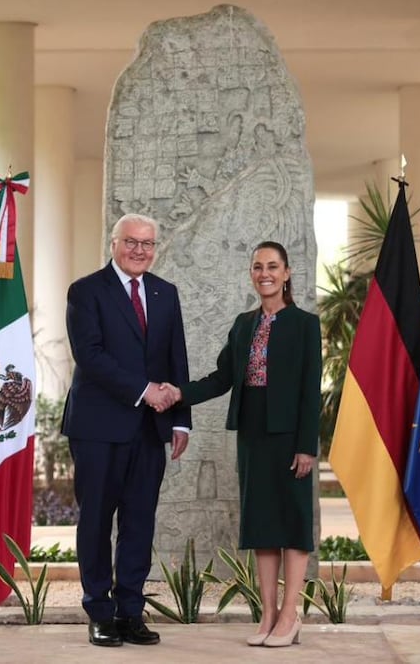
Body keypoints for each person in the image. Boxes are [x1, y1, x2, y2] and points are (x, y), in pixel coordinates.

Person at [164, 241, 321, 648]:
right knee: (262, 524)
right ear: (251, 273)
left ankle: (291, 613)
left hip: (290, 438)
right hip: (252, 435)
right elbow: (222, 378)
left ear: (286, 273)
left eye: (272, 266)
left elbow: (310, 390)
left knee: (293, 523)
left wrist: (306, 446)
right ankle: (268, 614)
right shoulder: (243, 324)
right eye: (257, 266)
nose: (264, 273)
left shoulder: (305, 324)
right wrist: (179, 393)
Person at [61, 213, 191, 647]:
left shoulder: (165, 293)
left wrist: (181, 419)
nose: (139, 250)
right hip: (98, 427)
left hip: (150, 429)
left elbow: (176, 357)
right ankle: (99, 612)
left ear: (156, 248)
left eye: (147, 243)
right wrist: (144, 390)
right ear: (114, 243)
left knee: (139, 523)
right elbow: (90, 356)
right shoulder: (86, 291)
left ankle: (130, 612)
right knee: (96, 522)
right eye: (131, 242)